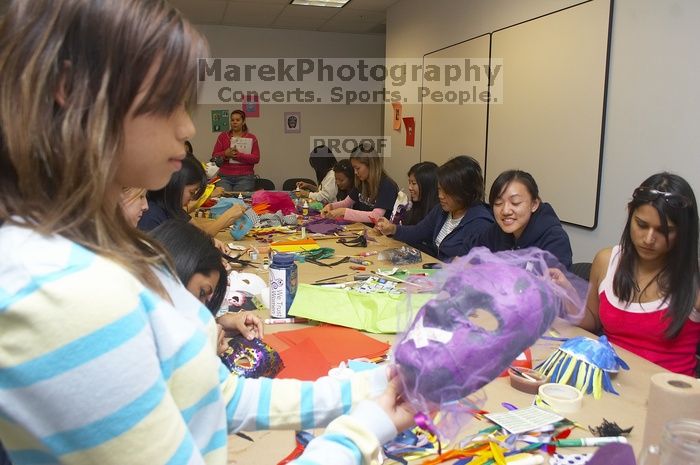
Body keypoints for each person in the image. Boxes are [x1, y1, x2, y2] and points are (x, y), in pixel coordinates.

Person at [0, 2, 412, 465]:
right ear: (71, 89)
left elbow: (221, 397)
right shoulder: (61, 290)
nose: (189, 126)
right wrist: (366, 431)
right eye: (168, 101)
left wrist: (381, 385)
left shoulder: (115, 247)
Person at [559, 173, 700, 375]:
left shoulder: (693, 279)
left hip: (669, 397)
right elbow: (592, 323)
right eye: (641, 225)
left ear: (683, 232)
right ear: (629, 214)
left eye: (664, 230)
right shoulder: (607, 261)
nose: (649, 238)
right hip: (610, 385)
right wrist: (565, 293)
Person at [151, 220, 262, 355]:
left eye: (206, 300)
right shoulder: (134, 332)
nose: (202, 310)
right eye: (202, 292)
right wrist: (204, 355)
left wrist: (222, 322)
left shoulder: (156, 320)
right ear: (176, 270)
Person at [375, 156, 493, 261]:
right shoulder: (442, 210)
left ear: (465, 192)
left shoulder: (480, 223)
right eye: (439, 189)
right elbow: (418, 232)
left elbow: (472, 268)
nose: (440, 196)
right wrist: (392, 229)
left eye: (447, 192)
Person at [476, 170, 573, 269]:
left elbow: (551, 281)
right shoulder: (496, 231)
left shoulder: (555, 239)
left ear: (534, 204)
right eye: (498, 203)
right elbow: (471, 253)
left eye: (515, 202)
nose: (505, 211)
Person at [138, 155, 246, 236]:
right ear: (176, 185)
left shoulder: (173, 208)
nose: (191, 199)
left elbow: (198, 233)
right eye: (191, 192)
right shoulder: (151, 216)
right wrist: (228, 216)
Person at [321, 143, 399, 223]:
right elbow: (346, 202)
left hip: (379, 233)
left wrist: (344, 212)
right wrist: (331, 206)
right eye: (354, 168)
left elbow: (376, 216)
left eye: (357, 168)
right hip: (363, 229)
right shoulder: (362, 181)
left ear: (370, 165)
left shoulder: (387, 186)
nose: (355, 172)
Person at [211, 109, 260, 192]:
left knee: (240, 200)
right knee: (223, 198)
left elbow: (256, 158)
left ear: (243, 122)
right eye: (232, 120)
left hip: (245, 177)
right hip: (224, 176)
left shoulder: (251, 137)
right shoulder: (223, 136)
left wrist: (238, 155)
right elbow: (214, 156)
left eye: (237, 120)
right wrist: (225, 154)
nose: (234, 122)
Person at [401, 161, 439, 226]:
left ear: (427, 185)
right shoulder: (413, 207)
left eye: (413, 183)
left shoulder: (436, 212)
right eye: (409, 182)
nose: (409, 187)